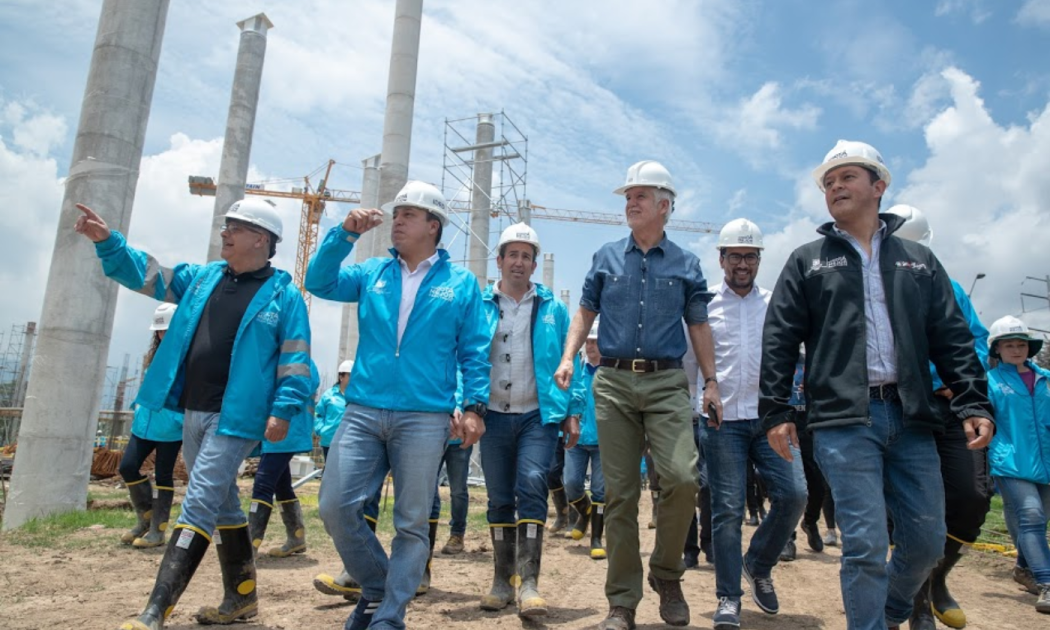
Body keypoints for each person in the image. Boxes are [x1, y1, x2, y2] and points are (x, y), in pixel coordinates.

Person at [759, 139, 994, 630]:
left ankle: (891, 609)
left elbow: (951, 336)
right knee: (864, 543)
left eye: (847, 177)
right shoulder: (808, 261)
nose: (835, 187)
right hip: (844, 421)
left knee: (928, 541)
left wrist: (973, 399)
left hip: (912, 418)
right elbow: (779, 338)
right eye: (828, 181)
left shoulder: (919, 262)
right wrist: (777, 412)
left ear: (879, 186)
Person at [76, 198, 313, 630]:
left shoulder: (284, 294)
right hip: (193, 410)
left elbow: (296, 361)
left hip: (236, 417)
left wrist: (284, 409)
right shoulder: (202, 279)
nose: (225, 233)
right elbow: (149, 275)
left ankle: (155, 611)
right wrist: (109, 243)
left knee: (201, 498)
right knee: (224, 504)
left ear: (261, 239)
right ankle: (241, 598)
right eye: (226, 226)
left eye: (235, 228)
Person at [306, 180, 490, 630]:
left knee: (411, 522)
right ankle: (377, 585)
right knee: (334, 505)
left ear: (433, 225)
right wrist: (343, 235)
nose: (397, 221)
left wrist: (474, 406)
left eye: (408, 214)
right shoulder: (372, 273)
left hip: (424, 416)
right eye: (397, 213)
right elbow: (319, 281)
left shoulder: (461, 284)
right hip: (363, 409)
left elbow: (474, 350)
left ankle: (389, 615)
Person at [555, 160, 720, 630]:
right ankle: (622, 602)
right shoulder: (605, 257)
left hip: (668, 382)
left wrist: (710, 381)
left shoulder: (687, 265)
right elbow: (585, 313)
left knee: (684, 478)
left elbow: (699, 326)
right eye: (628, 196)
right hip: (612, 382)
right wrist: (569, 357)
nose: (630, 202)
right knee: (620, 496)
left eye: (640, 196)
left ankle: (667, 574)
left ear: (665, 206)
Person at [885, 204, 994, 630]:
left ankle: (937, 579)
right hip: (901, 410)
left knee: (971, 497)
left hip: (949, 409)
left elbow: (977, 342)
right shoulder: (868, 286)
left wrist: (960, 380)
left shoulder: (947, 286)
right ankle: (911, 598)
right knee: (907, 506)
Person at [700, 218, 807, 629]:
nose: (742, 264)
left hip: (770, 419)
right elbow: (694, 363)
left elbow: (787, 358)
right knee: (726, 510)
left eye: (750, 256)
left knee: (795, 492)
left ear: (759, 259)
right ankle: (728, 598)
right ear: (721, 258)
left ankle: (758, 563)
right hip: (721, 422)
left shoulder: (776, 304)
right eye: (735, 256)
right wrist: (699, 402)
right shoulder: (704, 303)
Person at [477, 222, 583, 617]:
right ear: (500, 260)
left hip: (538, 417)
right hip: (492, 416)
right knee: (499, 496)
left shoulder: (552, 308)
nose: (519, 262)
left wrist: (571, 412)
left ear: (534, 265)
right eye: (513, 255)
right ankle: (502, 581)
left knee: (534, 484)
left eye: (527, 256)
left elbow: (565, 362)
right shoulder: (482, 304)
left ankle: (530, 584)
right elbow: (468, 354)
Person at [985, 315, 1050, 614]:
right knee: (1032, 517)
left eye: (1021, 344)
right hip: (1010, 460)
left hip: (1046, 462)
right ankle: (1047, 584)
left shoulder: (1045, 379)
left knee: (1038, 521)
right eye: (1008, 344)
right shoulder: (990, 382)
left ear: (1029, 348)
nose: (1015, 349)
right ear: (997, 349)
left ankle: (1023, 567)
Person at [117, 303, 183, 549]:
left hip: (170, 426)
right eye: (159, 331)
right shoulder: (153, 357)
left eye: (166, 329)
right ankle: (144, 519)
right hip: (144, 423)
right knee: (128, 467)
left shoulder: (187, 357)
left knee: (163, 476)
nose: (162, 334)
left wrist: (180, 419)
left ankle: (158, 530)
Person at [248, 360, 320, 558]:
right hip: (278, 432)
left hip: (286, 430)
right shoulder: (278, 358)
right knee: (281, 484)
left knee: (263, 483)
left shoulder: (300, 362)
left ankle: (248, 547)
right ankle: (296, 537)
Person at [564, 317, 607, 560]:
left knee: (601, 490)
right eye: (587, 342)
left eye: (594, 342)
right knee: (571, 485)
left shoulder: (611, 373)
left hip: (603, 441)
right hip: (576, 439)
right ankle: (585, 511)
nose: (590, 347)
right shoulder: (575, 369)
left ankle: (597, 538)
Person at [315, 360, 353, 461]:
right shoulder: (329, 395)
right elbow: (319, 414)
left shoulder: (358, 397)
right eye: (350, 375)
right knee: (330, 472)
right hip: (329, 440)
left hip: (350, 442)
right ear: (341, 377)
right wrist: (321, 430)